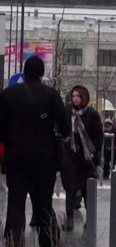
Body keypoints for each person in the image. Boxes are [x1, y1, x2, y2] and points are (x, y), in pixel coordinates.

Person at [0, 57, 70, 246]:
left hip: (16, 157)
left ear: (24, 71)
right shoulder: (51, 95)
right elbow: (64, 125)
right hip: (43, 159)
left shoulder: (8, 95)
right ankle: (48, 240)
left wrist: (10, 142)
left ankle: (14, 240)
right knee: (43, 204)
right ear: (41, 72)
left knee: (16, 203)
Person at [62, 85, 104, 231]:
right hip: (70, 158)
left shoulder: (92, 115)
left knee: (87, 191)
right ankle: (69, 218)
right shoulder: (67, 113)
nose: (75, 99)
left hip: (86, 159)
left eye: (78, 96)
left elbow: (98, 137)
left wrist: (93, 152)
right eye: (73, 96)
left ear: (84, 97)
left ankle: (90, 219)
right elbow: (61, 130)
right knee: (70, 189)